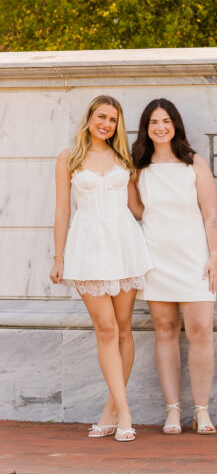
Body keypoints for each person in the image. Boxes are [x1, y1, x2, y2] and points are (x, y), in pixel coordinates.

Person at [49, 95, 152, 442]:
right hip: (88, 247)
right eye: (101, 116)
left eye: (113, 119)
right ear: (90, 118)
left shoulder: (125, 159)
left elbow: (138, 208)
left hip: (124, 245)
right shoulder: (69, 158)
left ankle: (111, 409)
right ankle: (125, 412)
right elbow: (63, 211)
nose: (106, 124)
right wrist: (58, 257)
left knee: (124, 329)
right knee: (105, 329)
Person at [129, 99, 217, 435]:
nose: (160, 127)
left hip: (194, 257)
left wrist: (214, 256)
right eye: (154, 122)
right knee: (165, 330)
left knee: (200, 331)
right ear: (146, 128)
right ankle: (172, 411)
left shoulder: (193, 162)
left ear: (175, 125)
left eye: (166, 121)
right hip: (156, 258)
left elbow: (210, 214)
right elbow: (139, 212)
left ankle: (202, 411)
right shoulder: (139, 166)